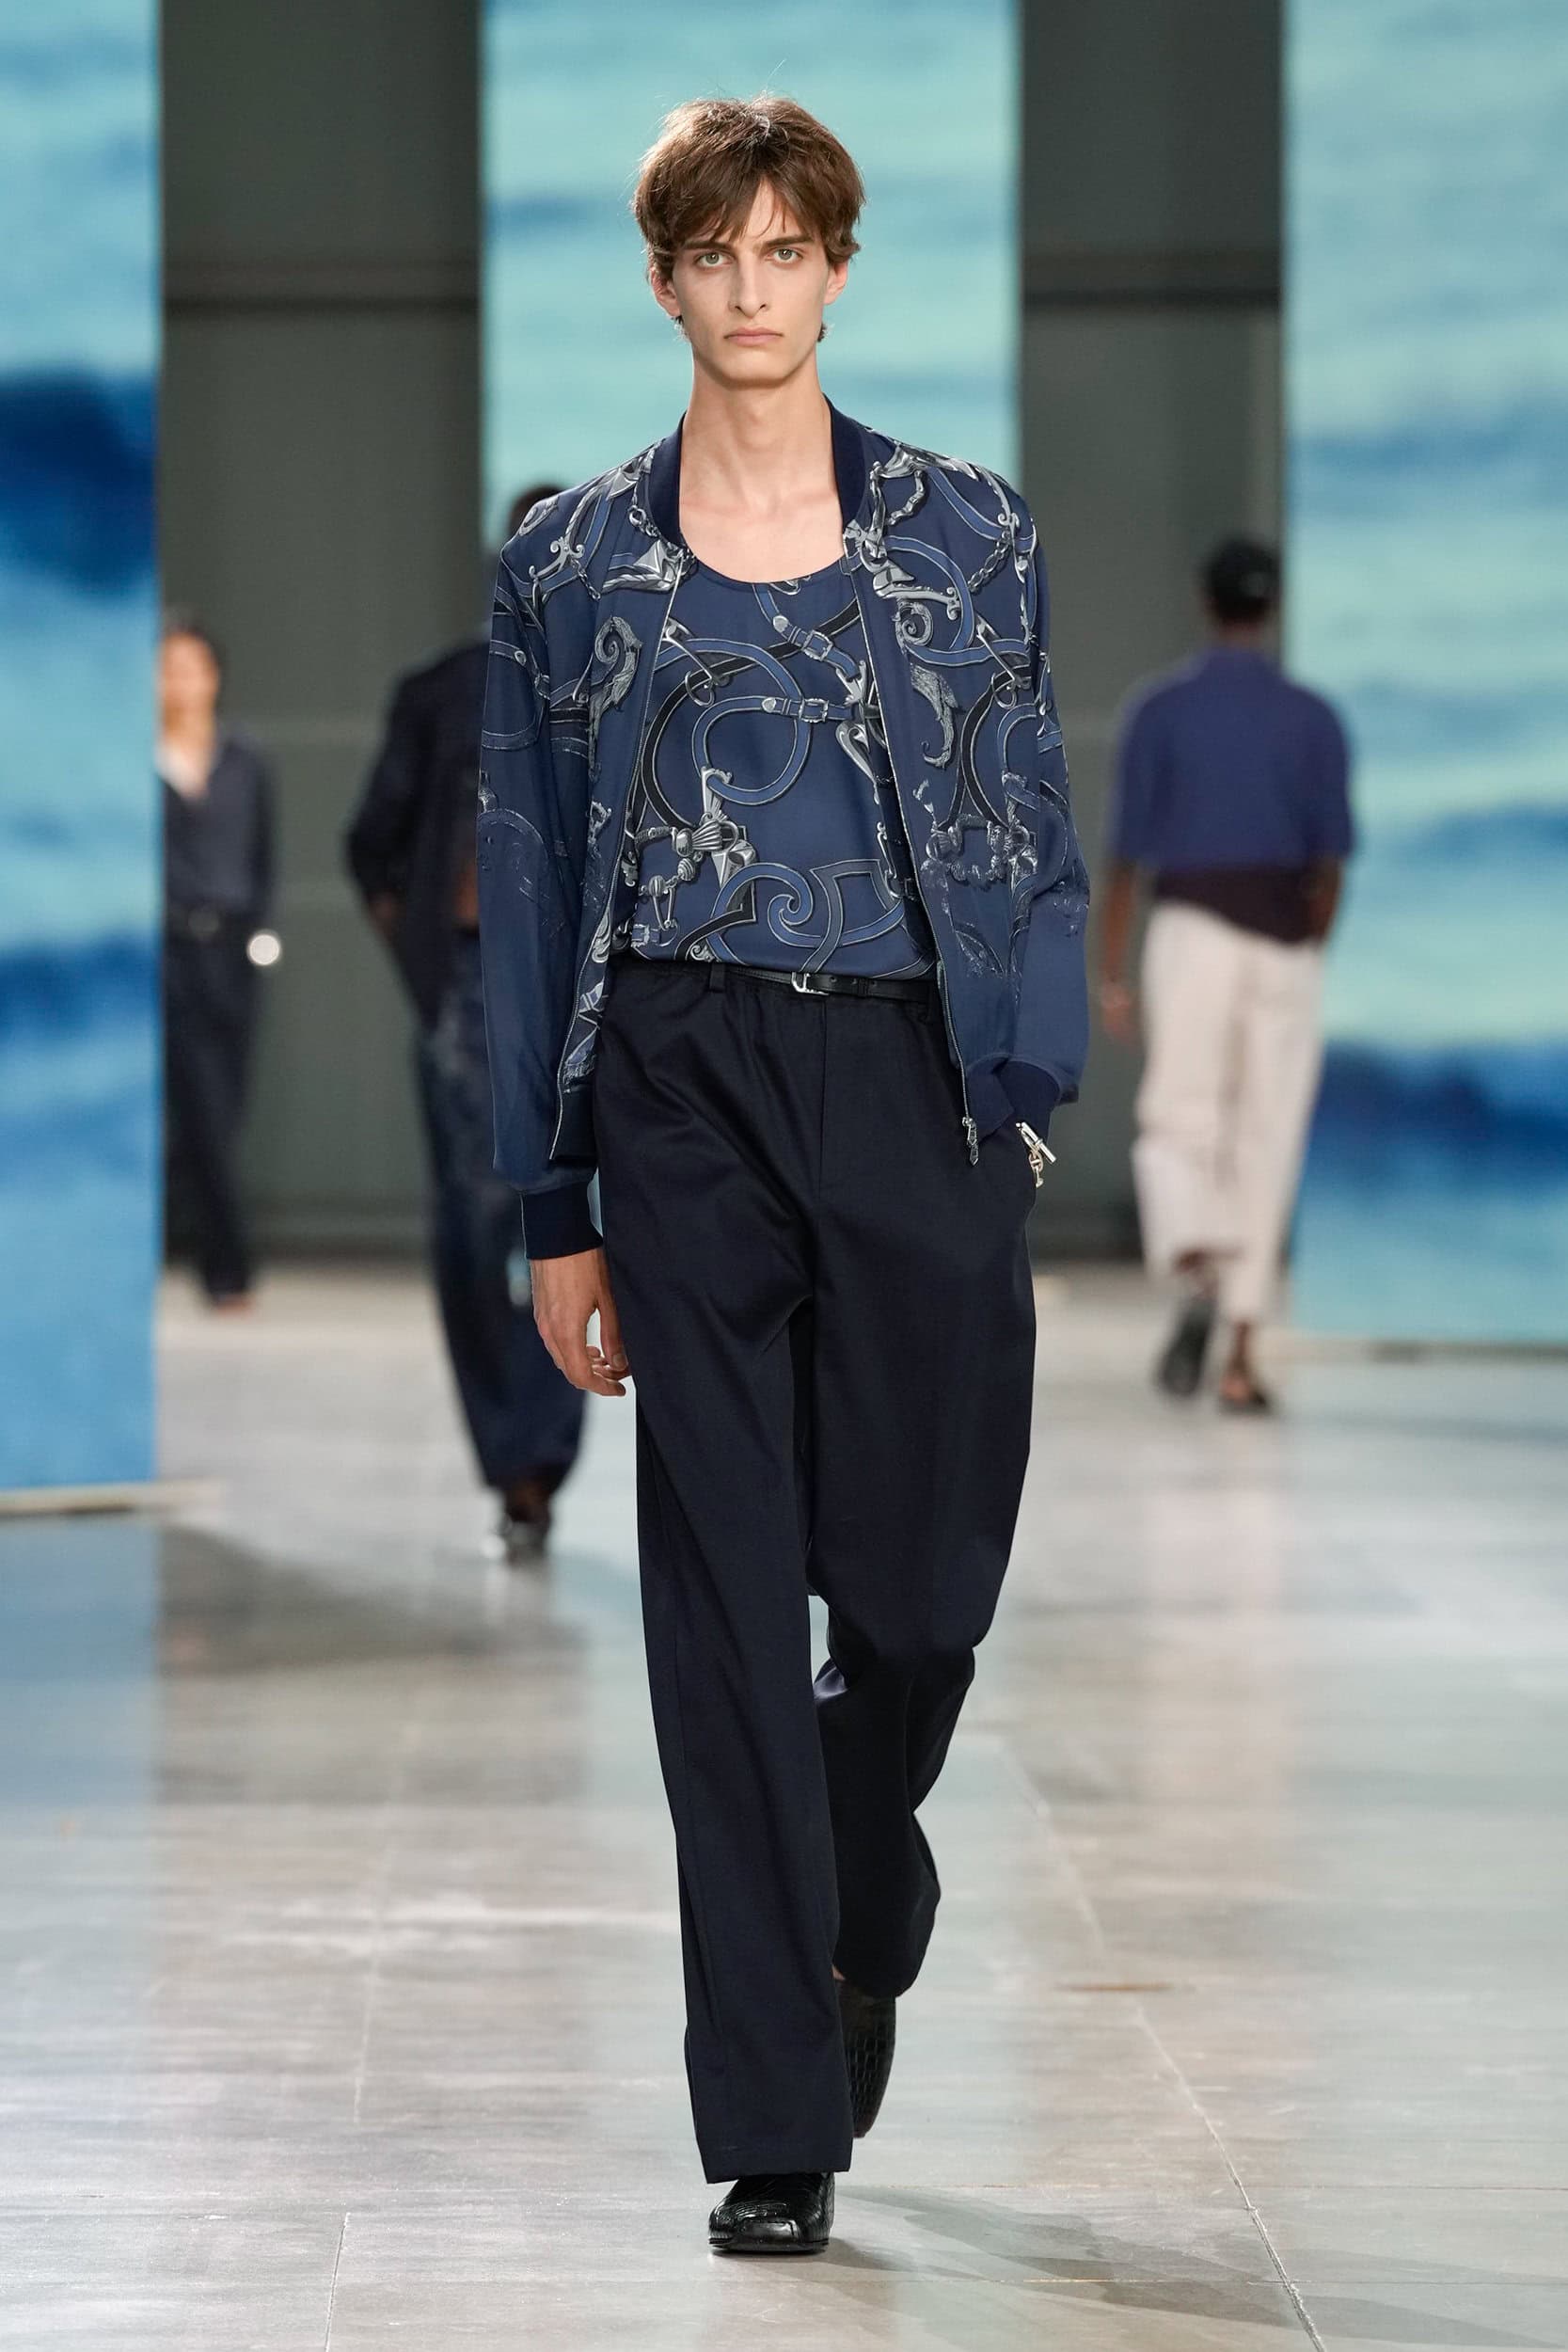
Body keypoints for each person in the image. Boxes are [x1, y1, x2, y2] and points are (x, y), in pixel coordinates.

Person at [477, 96, 1087, 2254]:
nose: (750, 290)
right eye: (713, 255)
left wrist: (1026, 1078)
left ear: (835, 266)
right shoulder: (570, 565)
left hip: (915, 1076)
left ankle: (859, 1876)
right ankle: (771, 2114)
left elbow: (1030, 816)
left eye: (784, 251)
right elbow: (527, 882)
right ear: (665, 280)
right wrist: (550, 1200)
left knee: (916, 1598)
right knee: (720, 1599)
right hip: (679, 1078)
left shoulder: (966, 530)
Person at [345, 488, 585, 1561]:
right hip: (473, 981)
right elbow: (373, 846)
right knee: (479, 1222)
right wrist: (432, 967)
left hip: (593, 985)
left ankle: (539, 1456)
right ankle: (517, 1459)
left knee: (577, 1216)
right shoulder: (442, 693)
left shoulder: (629, 687)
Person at [1098, 536, 1354, 1411]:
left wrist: (1111, 975)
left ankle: (1198, 1268)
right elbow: (1330, 864)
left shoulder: (1160, 709)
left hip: (1192, 930)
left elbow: (1125, 858)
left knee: (1180, 1114)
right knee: (1266, 1132)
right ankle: (1241, 1355)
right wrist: (1306, 948)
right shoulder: (1313, 717)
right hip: (1284, 937)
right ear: (1272, 607)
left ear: (1205, 604)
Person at [159, 612, 275, 1310]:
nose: (180, 683)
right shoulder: (135, 760)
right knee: (195, 1105)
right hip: (163, 947)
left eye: (191, 667)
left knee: (221, 1107)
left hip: (230, 949)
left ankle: (200, 1248)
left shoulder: (245, 758)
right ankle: (227, 1268)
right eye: (167, 669)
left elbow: (265, 857)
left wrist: (261, 938)